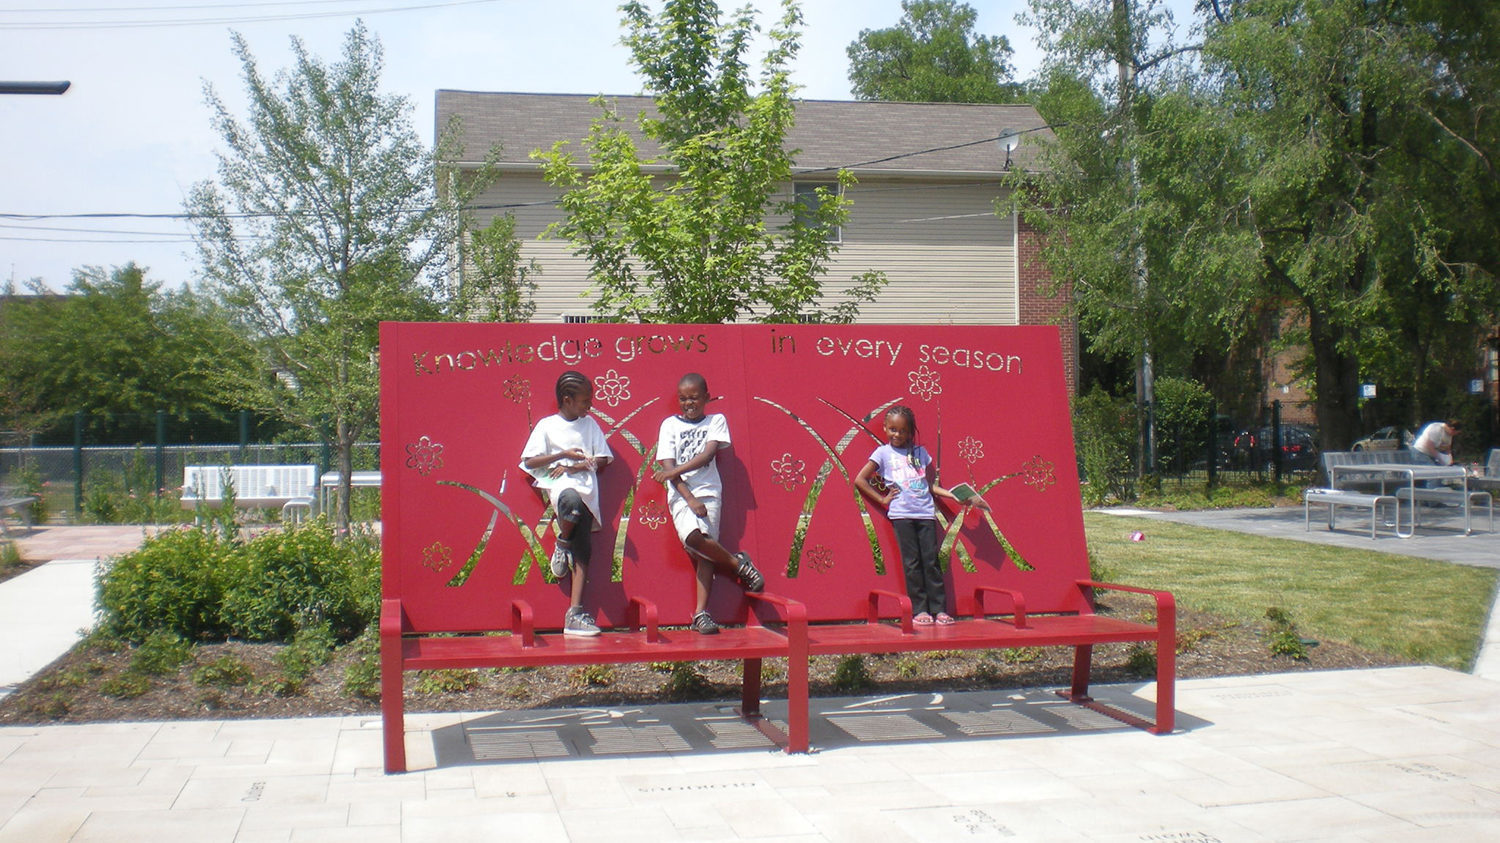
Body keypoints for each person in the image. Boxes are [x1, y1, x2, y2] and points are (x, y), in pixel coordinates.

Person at [854, 405, 989, 626]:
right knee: (912, 562)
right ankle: (920, 610)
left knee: (931, 561)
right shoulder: (882, 453)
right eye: (892, 429)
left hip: (926, 513)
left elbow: (928, 486)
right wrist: (883, 499)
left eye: (902, 430)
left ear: (910, 431)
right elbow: (860, 480)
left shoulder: (920, 454)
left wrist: (953, 496)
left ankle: (940, 610)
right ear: (886, 429)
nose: (897, 435)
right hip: (902, 515)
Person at [653, 372, 764, 635]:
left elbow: (708, 454)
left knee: (706, 549)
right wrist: (688, 497)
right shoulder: (669, 424)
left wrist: (670, 473)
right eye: (683, 399)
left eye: (693, 398)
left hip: (710, 491)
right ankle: (739, 565)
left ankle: (701, 613)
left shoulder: (716, 421)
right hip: (681, 494)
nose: (688, 403)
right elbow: (668, 465)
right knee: (693, 538)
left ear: (706, 397)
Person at [520, 370, 613, 637]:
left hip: (588, 492)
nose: (589, 405)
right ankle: (563, 541)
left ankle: (574, 613)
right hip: (562, 490)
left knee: (583, 546)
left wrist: (579, 465)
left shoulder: (590, 425)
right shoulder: (547, 426)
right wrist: (562, 456)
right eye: (585, 401)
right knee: (571, 503)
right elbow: (529, 461)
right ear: (567, 399)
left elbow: (603, 458)